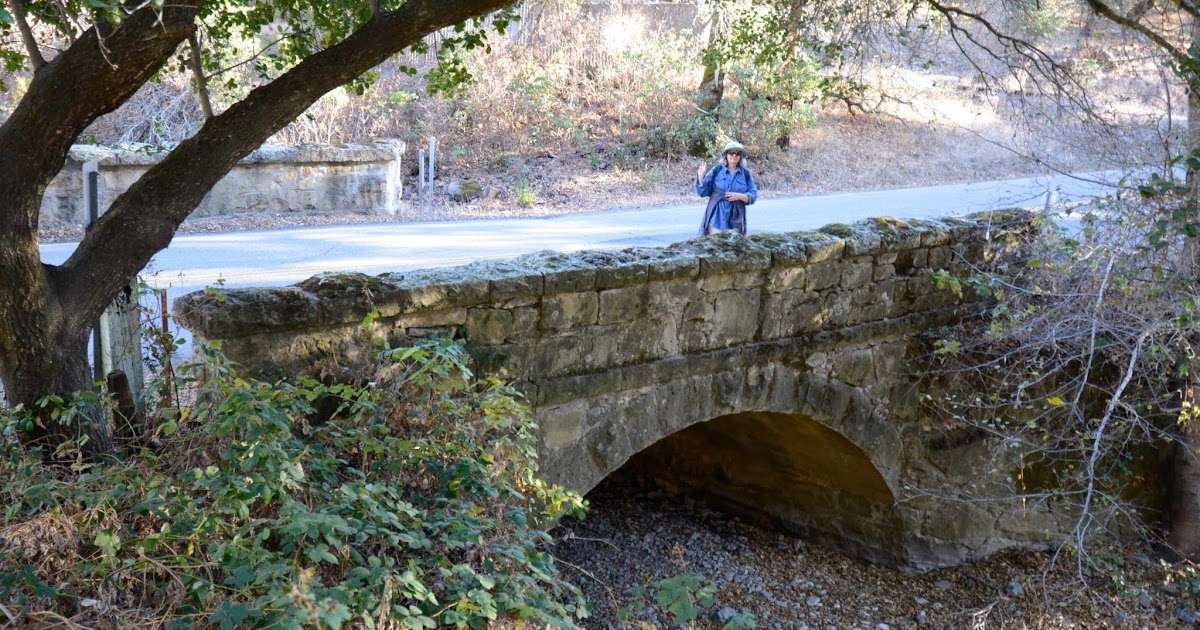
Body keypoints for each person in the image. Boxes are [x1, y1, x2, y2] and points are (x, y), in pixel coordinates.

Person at [695, 141, 758, 236]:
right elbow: (702, 192)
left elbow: (753, 196)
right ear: (726, 155)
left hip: (736, 221)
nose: (734, 155)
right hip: (716, 219)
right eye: (731, 153)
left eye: (737, 153)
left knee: (733, 249)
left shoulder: (745, 174)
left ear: (740, 156)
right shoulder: (717, 170)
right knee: (715, 248)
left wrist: (739, 196)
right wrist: (701, 177)